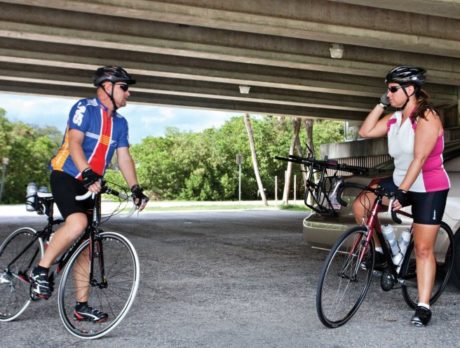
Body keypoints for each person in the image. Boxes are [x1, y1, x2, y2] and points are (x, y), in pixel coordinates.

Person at [30, 66, 149, 322]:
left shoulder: (121, 123)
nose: (128, 93)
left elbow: (124, 157)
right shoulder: (85, 108)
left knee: (87, 245)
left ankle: (81, 305)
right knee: (78, 223)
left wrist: (135, 188)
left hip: (90, 183)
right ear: (107, 87)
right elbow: (74, 142)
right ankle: (41, 269)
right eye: (124, 88)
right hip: (67, 175)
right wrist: (86, 172)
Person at [352, 66, 450, 327]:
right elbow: (365, 131)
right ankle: (380, 251)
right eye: (387, 89)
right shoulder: (395, 119)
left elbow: (419, 159)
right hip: (400, 180)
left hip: (428, 186)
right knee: (362, 205)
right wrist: (380, 103)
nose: (389, 93)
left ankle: (423, 305)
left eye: (393, 89)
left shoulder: (427, 117)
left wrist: (401, 192)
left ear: (410, 90)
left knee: (423, 248)